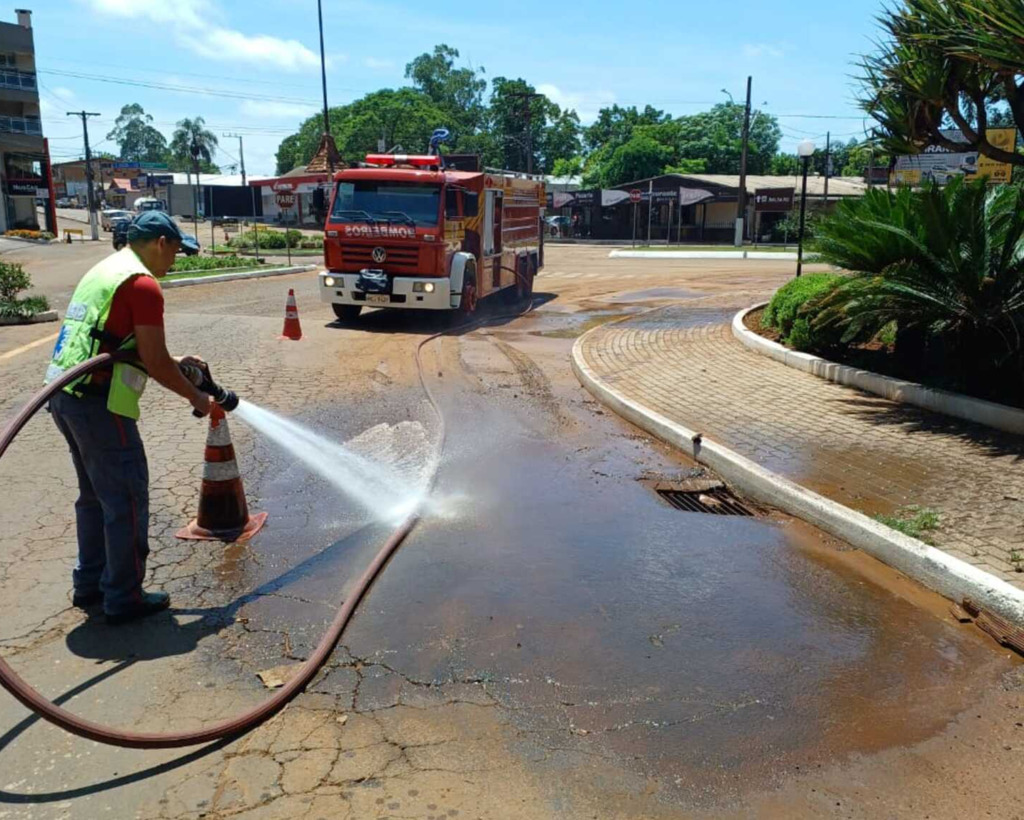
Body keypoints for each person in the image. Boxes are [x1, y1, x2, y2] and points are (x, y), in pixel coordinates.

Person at [45, 211, 211, 625]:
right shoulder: (143, 285)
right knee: (127, 499)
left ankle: (90, 583)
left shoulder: (108, 269)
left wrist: (178, 361)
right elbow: (152, 362)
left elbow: (117, 340)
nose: (176, 261)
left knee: (95, 498)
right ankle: (123, 596)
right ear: (159, 242)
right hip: (100, 406)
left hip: (65, 397)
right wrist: (197, 398)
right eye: (176, 251)